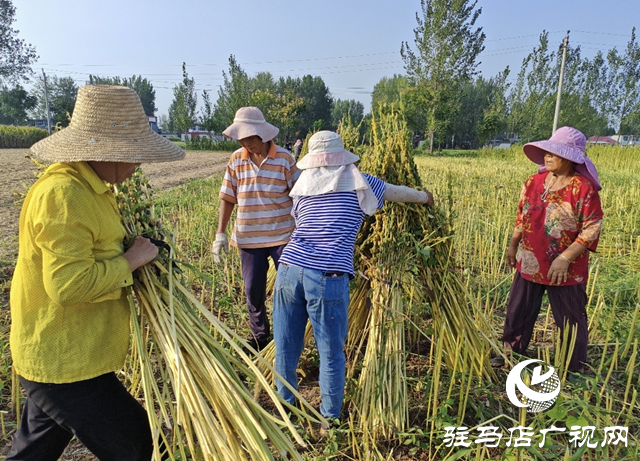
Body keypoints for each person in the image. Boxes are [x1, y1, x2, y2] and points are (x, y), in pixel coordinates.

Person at [6, 85, 185, 461]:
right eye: (133, 154)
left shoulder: (93, 190)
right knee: (141, 448)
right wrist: (131, 261)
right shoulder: (64, 194)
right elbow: (68, 286)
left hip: (63, 357)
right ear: (104, 151)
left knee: (33, 452)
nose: (138, 164)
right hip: (67, 365)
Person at [272, 130, 434, 426]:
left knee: (285, 346)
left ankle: (286, 411)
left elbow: (302, 223)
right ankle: (329, 420)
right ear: (341, 156)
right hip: (326, 276)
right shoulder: (360, 181)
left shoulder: (301, 187)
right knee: (330, 352)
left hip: (288, 269)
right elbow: (399, 193)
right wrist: (425, 198)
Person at [494, 126, 603, 374]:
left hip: (565, 268)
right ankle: (512, 353)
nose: (548, 156)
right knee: (518, 309)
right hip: (531, 259)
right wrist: (512, 246)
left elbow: (592, 227)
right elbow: (522, 217)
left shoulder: (582, 188)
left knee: (570, 317)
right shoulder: (533, 182)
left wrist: (565, 258)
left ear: (571, 158)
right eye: (547, 151)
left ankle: (574, 368)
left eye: (555, 152)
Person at [212, 107, 300, 351]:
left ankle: (287, 336)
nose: (245, 143)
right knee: (253, 291)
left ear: (262, 134)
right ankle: (261, 337)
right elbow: (228, 197)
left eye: (249, 137)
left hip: (283, 236)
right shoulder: (236, 160)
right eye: (241, 138)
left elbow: (300, 196)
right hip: (249, 238)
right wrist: (220, 233)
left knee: (288, 290)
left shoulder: (284, 159)